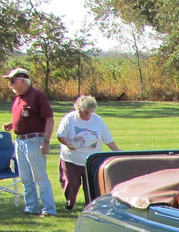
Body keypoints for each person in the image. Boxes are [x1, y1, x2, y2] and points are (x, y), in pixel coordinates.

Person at [3, 67, 56, 216]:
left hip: (34, 140)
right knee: (25, 177)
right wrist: (12, 124)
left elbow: (49, 119)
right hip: (20, 141)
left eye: (12, 81)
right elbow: (26, 117)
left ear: (21, 80)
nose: (11, 85)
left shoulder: (37, 95)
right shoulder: (18, 97)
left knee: (40, 176)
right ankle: (31, 207)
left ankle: (48, 209)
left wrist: (46, 141)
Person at [56, 95, 119, 212]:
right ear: (78, 109)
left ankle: (90, 206)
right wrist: (68, 144)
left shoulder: (98, 120)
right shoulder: (69, 119)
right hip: (71, 159)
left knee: (90, 185)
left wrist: (118, 151)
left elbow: (107, 139)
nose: (86, 115)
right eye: (83, 112)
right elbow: (60, 135)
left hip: (91, 160)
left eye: (88, 113)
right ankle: (69, 203)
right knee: (71, 184)